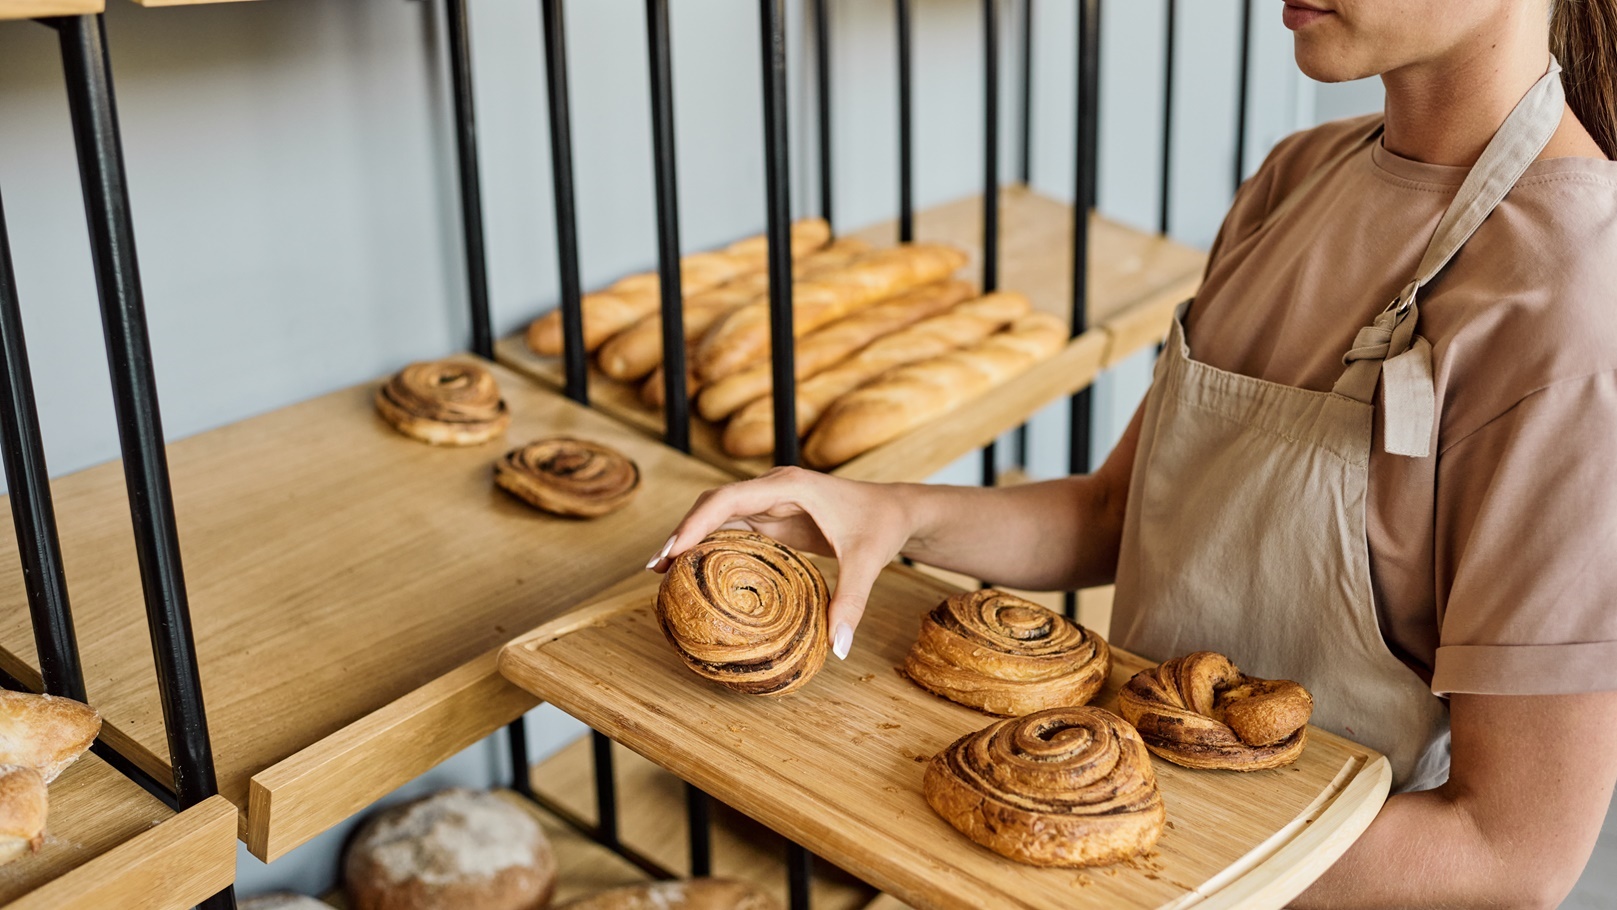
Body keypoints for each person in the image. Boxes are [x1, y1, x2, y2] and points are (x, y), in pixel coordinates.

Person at [649, 0, 1617, 905]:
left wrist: (1107, 831)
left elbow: (1508, 853)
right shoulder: (1296, 177)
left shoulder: (1575, 312)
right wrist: (892, 512)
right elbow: (1123, 515)